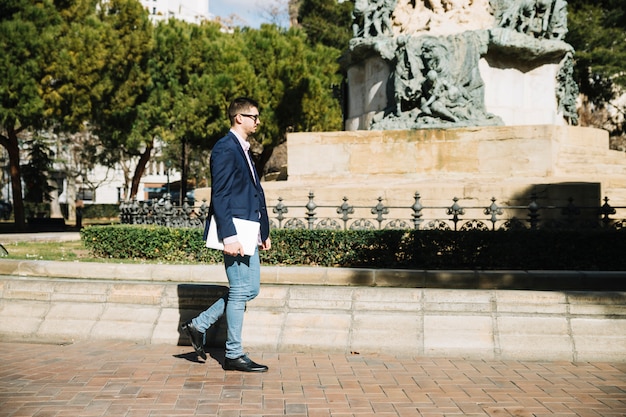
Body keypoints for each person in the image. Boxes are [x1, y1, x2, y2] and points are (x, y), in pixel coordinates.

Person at [182, 97, 271, 372]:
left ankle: (199, 324)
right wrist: (228, 236)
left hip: (249, 229)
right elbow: (219, 195)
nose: (258, 121)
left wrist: (262, 230)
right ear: (238, 118)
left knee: (250, 289)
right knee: (242, 289)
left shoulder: (242, 149)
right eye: (254, 116)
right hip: (235, 230)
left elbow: (253, 191)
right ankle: (233, 354)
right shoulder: (224, 148)